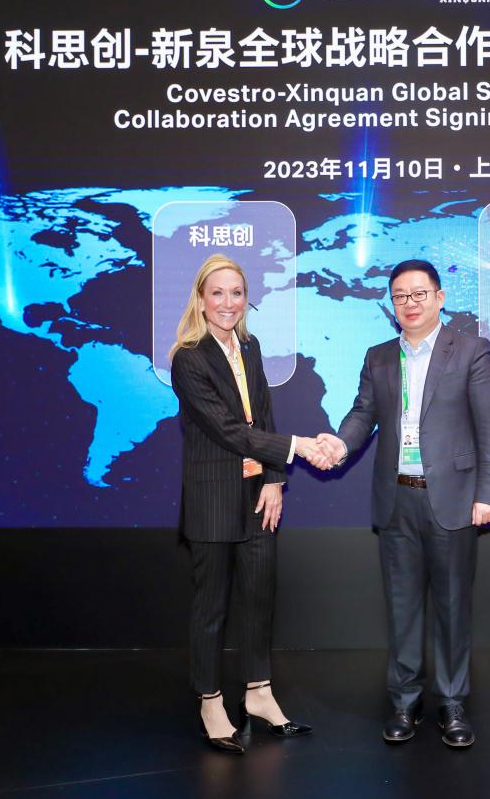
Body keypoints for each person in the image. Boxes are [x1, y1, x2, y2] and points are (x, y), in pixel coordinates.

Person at [318, 259, 490, 748]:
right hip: (396, 498)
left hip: (453, 499)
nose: (410, 303)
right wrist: (339, 444)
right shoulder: (379, 357)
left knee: (452, 607)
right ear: (392, 303)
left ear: (440, 298)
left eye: (419, 293)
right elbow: (362, 415)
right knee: (402, 608)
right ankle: (405, 702)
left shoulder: (471, 351)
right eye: (400, 295)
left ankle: (452, 703)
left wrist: (489, 494)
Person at [168, 253, 327, 754]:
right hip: (213, 498)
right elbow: (229, 430)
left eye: (236, 293)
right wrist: (298, 447)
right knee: (211, 608)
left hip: (259, 494)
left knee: (259, 599)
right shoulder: (188, 358)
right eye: (217, 293)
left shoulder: (250, 347)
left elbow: (263, 415)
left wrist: (275, 479)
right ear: (200, 299)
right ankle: (210, 701)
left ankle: (258, 694)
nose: (228, 302)